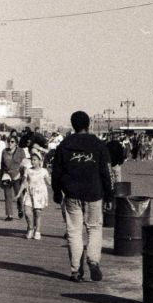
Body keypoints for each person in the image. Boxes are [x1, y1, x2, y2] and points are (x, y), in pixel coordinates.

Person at [50, 111, 113, 282]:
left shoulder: (65, 144)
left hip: (72, 193)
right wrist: (109, 195)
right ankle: (93, 260)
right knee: (94, 228)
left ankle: (76, 270)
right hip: (94, 193)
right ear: (88, 124)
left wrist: (57, 191)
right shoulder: (98, 144)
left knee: (74, 231)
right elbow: (107, 173)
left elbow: (56, 171)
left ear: (73, 125)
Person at [18, 150, 50, 239]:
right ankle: (30, 228)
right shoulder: (28, 170)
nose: (33, 161)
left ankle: (37, 231)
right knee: (27, 212)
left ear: (40, 161)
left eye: (35, 160)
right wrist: (19, 193)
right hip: (29, 193)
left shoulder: (44, 171)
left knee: (37, 213)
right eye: (32, 160)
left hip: (40, 194)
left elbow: (49, 182)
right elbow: (24, 182)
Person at [0, 135, 26, 221]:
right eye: (8, 142)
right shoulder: (4, 151)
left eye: (12, 142)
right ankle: (9, 215)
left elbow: (24, 164)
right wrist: (2, 176)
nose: (10, 143)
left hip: (17, 176)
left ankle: (20, 209)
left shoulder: (21, 151)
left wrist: (21, 175)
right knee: (7, 195)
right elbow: (2, 165)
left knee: (19, 195)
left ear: (16, 143)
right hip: (7, 176)